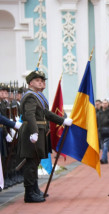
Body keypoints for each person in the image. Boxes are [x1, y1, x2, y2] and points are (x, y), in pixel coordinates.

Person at [17, 70, 73, 203]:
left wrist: (62, 121)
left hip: (39, 131)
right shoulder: (30, 96)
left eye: (42, 81)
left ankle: (34, 189)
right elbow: (30, 115)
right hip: (32, 132)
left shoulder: (38, 96)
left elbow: (46, 113)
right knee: (31, 162)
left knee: (35, 162)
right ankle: (29, 193)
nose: (41, 82)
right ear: (30, 83)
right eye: (38, 80)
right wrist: (34, 132)